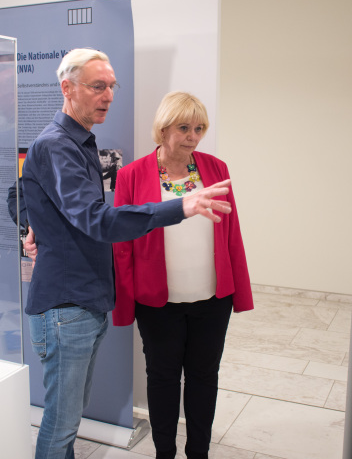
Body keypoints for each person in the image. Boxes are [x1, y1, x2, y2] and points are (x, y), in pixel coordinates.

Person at [20, 49, 235, 459]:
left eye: (111, 87)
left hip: (87, 299)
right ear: (68, 88)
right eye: (98, 86)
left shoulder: (79, 142)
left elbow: (28, 191)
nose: (109, 95)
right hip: (67, 303)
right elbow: (97, 219)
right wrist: (183, 205)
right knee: (62, 423)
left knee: (69, 417)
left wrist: (33, 221)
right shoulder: (58, 144)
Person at [112, 91, 254, 459]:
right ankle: (164, 453)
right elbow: (122, 243)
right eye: (184, 127)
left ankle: (199, 453)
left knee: (204, 377)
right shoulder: (131, 175)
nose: (193, 135)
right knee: (162, 378)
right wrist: (124, 302)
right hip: (157, 301)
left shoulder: (216, 168)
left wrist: (240, 291)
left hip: (212, 298)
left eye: (200, 128)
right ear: (163, 128)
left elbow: (231, 232)